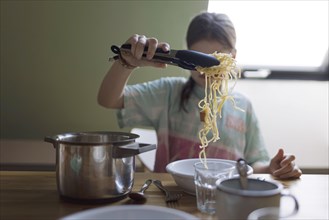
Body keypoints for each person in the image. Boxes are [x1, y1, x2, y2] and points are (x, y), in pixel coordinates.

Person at [98, 12, 302, 179]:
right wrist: (126, 63)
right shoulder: (169, 93)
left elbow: (253, 163)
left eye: (214, 59)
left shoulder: (242, 106)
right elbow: (108, 100)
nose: (204, 69)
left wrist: (271, 168)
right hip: (172, 195)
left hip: (224, 198)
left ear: (232, 57)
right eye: (198, 58)